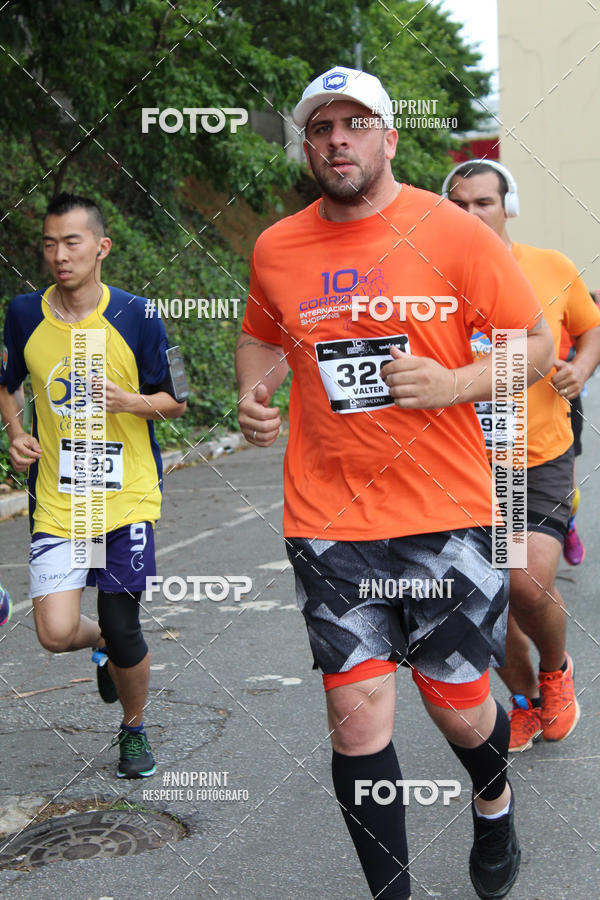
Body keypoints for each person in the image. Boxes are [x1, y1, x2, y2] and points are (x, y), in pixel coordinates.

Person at [236, 66, 554, 900]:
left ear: (388, 136)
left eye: (355, 124)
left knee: (455, 703)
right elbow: (261, 337)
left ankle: (493, 799)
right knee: (357, 718)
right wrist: (254, 391)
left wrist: (455, 384)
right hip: (330, 515)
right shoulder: (278, 246)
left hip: (445, 510)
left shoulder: (451, 232)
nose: (336, 139)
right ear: (307, 145)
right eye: (320, 128)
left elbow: (538, 346)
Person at [0, 193, 187, 778]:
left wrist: (131, 401)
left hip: (126, 497)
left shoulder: (139, 315)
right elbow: (7, 381)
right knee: (55, 633)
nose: (59, 254)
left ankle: (133, 730)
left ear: (101, 247)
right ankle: (102, 645)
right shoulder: (24, 313)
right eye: (50, 243)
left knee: (123, 619)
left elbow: (178, 401)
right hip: (57, 501)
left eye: (72, 242)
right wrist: (14, 432)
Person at [444, 160, 600, 753]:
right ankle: (525, 698)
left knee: (526, 581)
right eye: (458, 204)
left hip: (535, 456)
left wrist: (581, 368)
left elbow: (591, 327)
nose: (471, 215)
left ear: (506, 207)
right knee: (485, 600)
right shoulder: (433, 280)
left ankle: (557, 672)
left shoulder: (549, 267)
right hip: (462, 461)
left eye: (483, 202)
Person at [559, 324, 585, 565]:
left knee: (569, 495)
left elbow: (592, 329)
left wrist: (581, 369)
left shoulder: (563, 285)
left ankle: (568, 525)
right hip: (494, 399)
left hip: (560, 396)